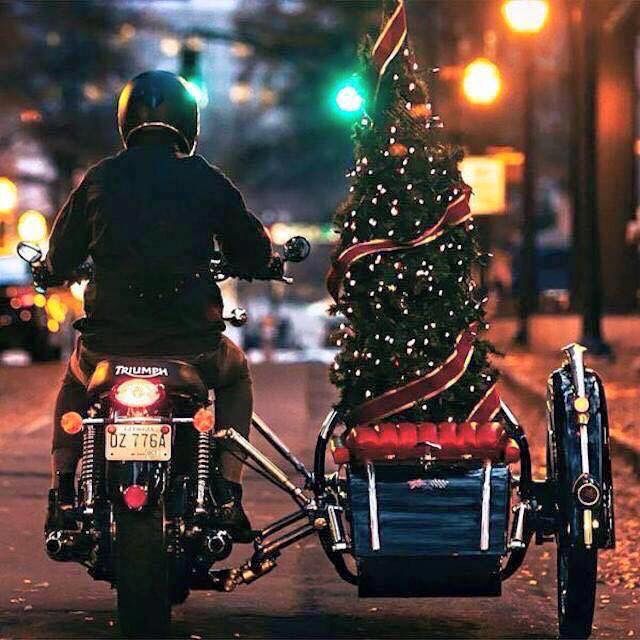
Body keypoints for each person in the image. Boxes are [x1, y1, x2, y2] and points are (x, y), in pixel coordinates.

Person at [44, 70, 274, 542]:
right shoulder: (206, 178)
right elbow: (250, 249)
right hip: (191, 343)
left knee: (74, 380)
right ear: (189, 124)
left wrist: (50, 270)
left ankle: (63, 490)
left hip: (110, 343)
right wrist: (266, 262)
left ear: (125, 120)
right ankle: (227, 491)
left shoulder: (100, 179)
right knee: (235, 375)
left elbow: (61, 254)